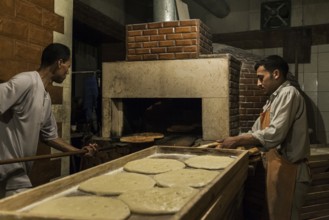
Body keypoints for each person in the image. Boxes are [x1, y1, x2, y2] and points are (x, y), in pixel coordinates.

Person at [217, 55, 311, 220]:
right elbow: (255, 130)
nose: (258, 83)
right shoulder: (272, 100)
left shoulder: (288, 93)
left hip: (291, 171)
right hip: (278, 170)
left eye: (261, 78)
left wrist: (237, 141)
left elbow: (275, 133)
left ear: (276, 74)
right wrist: (233, 139)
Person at [0, 43, 97, 198]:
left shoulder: (45, 97)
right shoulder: (26, 81)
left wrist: (79, 152)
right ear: (59, 63)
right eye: (68, 66)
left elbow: (50, 136)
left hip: (17, 172)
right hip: (8, 171)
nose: (68, 71)